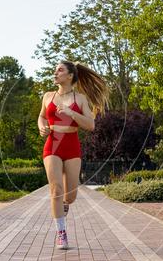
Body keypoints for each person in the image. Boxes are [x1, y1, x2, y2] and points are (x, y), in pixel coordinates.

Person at [38, 60, 109, 250]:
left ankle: (65, 204)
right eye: (55, 70)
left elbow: (90, 125)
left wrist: (71, 113)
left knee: (70, 195)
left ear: (70, 76)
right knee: (55, 189)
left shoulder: (81, 99)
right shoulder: (47, 96)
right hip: (52, 143)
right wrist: (42, 127)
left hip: (71, 145)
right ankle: (61, 233)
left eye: (59, 70)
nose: (55, 73)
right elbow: (42, 116)